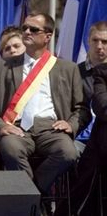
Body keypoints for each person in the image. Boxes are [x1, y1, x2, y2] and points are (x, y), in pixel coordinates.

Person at [0, 12, 91, 201]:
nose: (27, 32)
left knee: (68, 152)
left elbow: (82, 108)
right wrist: (1, 126)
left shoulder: (67, 68)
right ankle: (36, 204)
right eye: (24, 28)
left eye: (33, 29)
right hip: (17, 128)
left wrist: (71, 124)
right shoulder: (2, 66)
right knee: (11, 150)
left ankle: (31, 200)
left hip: (51, 129)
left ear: (48, 36)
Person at [55, 21, 107, 216]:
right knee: (69, 154)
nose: (100, 46)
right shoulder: (74, 72)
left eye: (105, 41)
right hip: (79, 137)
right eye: (95, 41)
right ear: (88, 41)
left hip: (102, 134)